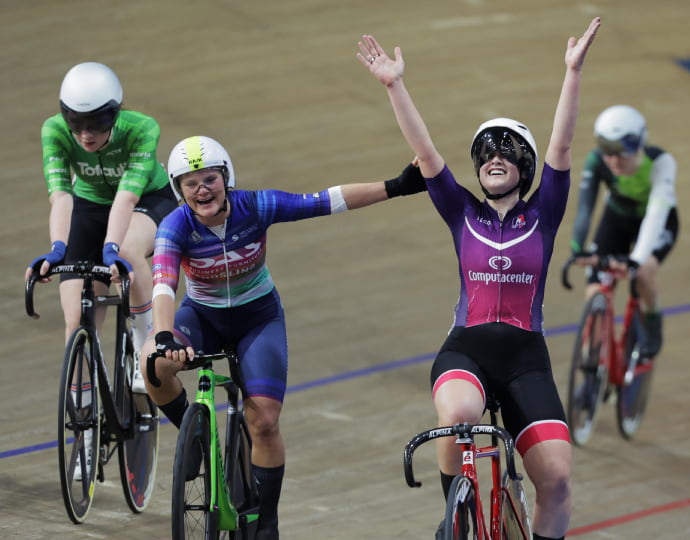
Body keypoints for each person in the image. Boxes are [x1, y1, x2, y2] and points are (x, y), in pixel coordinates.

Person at [357, 16, 600, 540]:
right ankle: (454, 518)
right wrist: (395, 86)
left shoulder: (546, 213)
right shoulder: (460, 210)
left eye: (506, 150)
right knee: (462, 412)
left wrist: (572, 72)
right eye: (486, 150)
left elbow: (561, 147)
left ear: (525, 167)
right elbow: (425, 155)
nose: (494, 157)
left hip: (525, 360)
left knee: (556, 480)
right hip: (466, 350)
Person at [140, 135, 425, 540]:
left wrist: (395, 187)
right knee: (152, 360)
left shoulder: (256, 206)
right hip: (202, 316)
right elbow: (164, 283)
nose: (202, 189)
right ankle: (197, 440)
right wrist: (165, 335)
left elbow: (325, 201)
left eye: (210, 179)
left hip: (258, 319)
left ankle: (267, 520)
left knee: (266, 423)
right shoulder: (175, 226)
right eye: (191, 182)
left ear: (227, 179)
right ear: (178, 189)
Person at [25, 61, 178, 393]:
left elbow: (126, 198)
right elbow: (62, 197)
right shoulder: (52, 130)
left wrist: (110, 249)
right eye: (76, 124)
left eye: (96, 124)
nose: (85, 135)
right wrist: (57, 248)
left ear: (116, 113)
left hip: (147, 200)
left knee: (126, 251)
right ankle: (84, 412)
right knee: (76, 319)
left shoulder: (141, 128)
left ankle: (145, 352)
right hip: (90, 206)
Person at [569, 104, 679, 358]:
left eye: (621, 153)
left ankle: (652, 318)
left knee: (643, 272)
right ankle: (591, 367)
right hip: (616, 220)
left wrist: (635, 261)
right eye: (607, 152)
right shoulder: (598, 161)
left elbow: (655, 216)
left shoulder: (661, 163)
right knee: (595, 291)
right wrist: (577, 248)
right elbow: (586, 206)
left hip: (655, 222)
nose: (614, 160)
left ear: (639, 145)